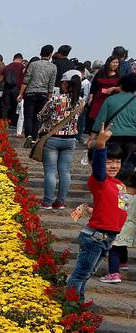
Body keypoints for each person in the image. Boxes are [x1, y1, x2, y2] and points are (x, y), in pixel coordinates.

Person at [66, 125, 128, 301]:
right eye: (109, 162)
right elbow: (99, 169)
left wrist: (94, 210)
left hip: (108, 237)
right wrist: (100, 145)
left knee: (86, 275)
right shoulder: (99, 180)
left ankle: (78, 306)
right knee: (80, 274)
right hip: (95, 237)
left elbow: (118, 208)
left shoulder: (119, 184)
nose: (114, 165)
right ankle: (71, 306)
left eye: (117, 161)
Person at [37, 70, 85, 210]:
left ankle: (47, 201)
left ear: (66, 84)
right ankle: (60, 202)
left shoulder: (56, 99)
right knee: (65, 171)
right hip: (70, 139)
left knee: (50, 171)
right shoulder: (81, 102)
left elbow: (41, 116)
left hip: (53, 138)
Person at [89, 73, 136, 176]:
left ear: (121, 85)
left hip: (112, 136)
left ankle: (111, 182)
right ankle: (125, 182)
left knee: (111, 162)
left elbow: (100, 120)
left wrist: (92, 137)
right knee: (128, 164)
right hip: (132, 138)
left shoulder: (110, 99)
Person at [100, 172, 136, 283]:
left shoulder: (121, 196)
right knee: (122, 244)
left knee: (114, 248)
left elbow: (117, 210)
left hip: (119, 225)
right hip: (131, 227)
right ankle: (123, 262)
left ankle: (113, 273)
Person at [20, 45, 58, 144]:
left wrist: (20, 93)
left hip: (30, 92)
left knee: (28, 116)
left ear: (40, 53)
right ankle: (33, 138)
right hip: (43, 94)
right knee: (38, 117)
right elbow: (51, 84)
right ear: (50, 54)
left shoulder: (33, 64)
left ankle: (28, 135)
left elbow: (26, 80)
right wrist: (50, 97)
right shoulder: (53, 67)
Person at [87, 57, 122, 134]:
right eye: (113, 62)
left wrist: (113, 88)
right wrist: (91, 97)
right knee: (95, 117)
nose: (115, 64)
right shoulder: (100, 73)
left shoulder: (119, 75)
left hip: (112, 99)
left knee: (108, 118)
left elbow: (122, 88)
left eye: (117, 63)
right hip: (98, 98)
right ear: (108, 63)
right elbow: (94, 86)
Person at [0, 54, 26, 122]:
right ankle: (14, 123)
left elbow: (1, 80)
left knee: (5, 106)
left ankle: (4, 122)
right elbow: (25, 80)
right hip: (17, 89)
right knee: (16, 106)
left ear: (13, 58)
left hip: (6, 88)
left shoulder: (6, 67)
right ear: (21, 59)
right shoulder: (22, 67)